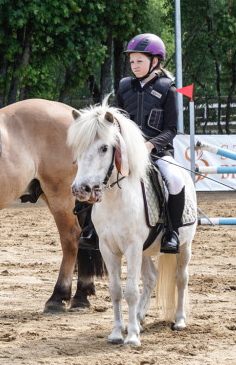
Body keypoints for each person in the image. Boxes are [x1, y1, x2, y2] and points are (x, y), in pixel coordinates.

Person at [77, 33, 185, 254]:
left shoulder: (167, 89)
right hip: (124, 151)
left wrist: (150, 145)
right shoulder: (125, 86)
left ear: (155, 61)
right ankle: (89, 228)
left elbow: (171, 129)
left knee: (174, 180)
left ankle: (171, 232)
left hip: (157, 151)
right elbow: (114, 121)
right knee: (92, 174)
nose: (134, 66)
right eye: (132, 62)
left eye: (140, 61)